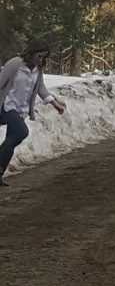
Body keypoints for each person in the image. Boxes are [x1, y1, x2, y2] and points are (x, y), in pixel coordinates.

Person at [0, 43, 67, 186]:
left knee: (11, 141)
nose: (41, 60)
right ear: (31, 53)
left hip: (21, 110)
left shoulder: (38, 70)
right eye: (39, 56)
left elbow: (41, 88)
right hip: (7, 106)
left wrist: (55, 104)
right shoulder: (15, 64)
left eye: (44, 57)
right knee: (21, 132)